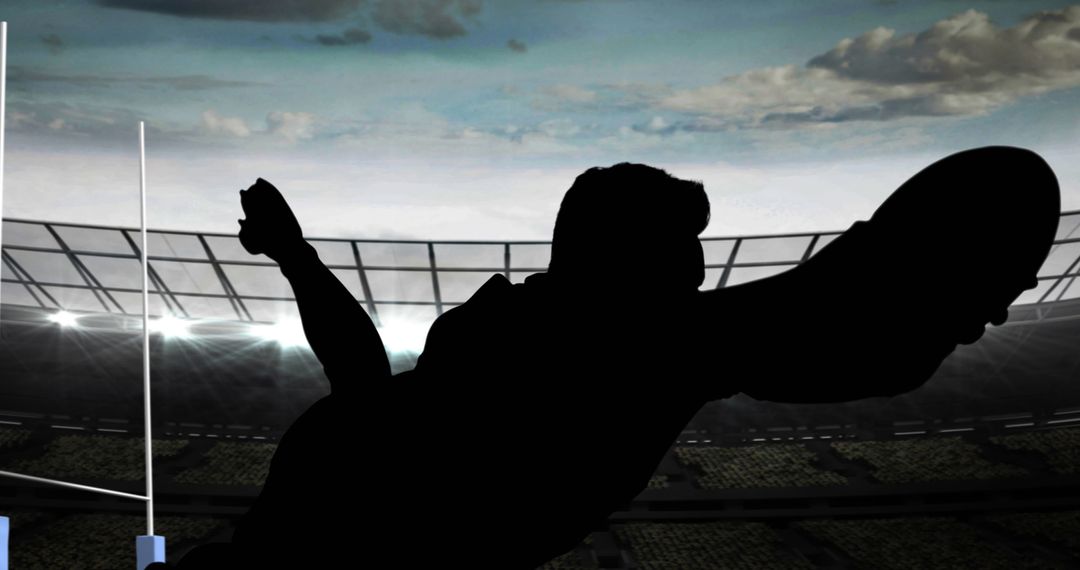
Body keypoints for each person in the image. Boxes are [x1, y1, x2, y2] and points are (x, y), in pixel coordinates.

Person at [156, 147, 1059, 568]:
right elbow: (822, 318)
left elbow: (825, 328)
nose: (700, 264)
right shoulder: (628, 346)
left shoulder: (596, 343)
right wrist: (939, 284)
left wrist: (296, 257)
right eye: (683, 245)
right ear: (630, 258)